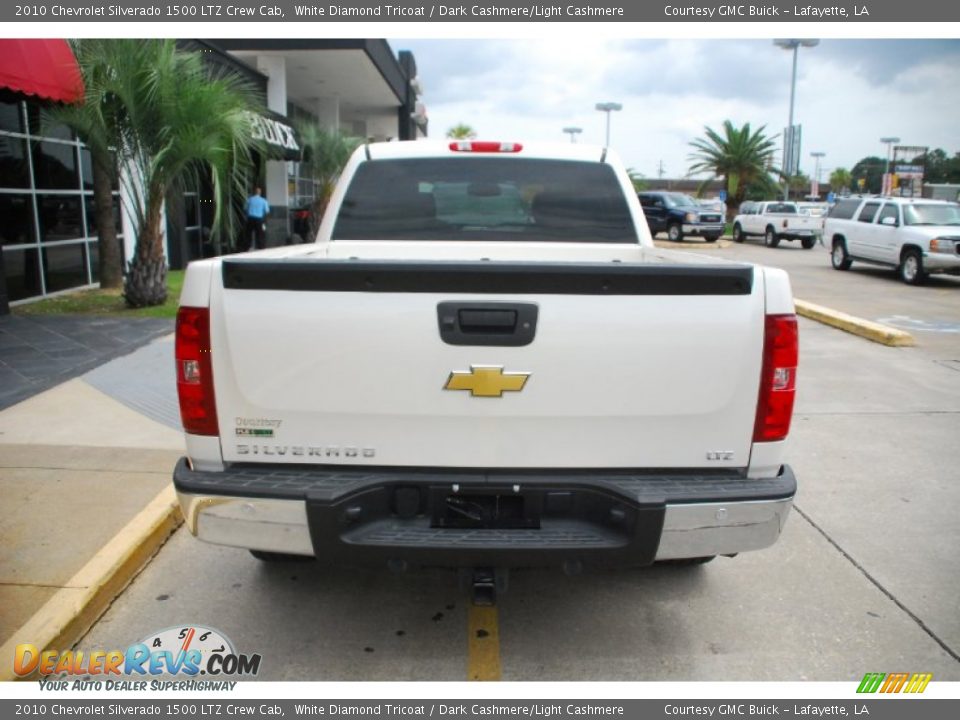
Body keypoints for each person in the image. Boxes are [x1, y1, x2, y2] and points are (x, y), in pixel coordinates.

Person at [244, 186, 270, 251]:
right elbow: (267, 211)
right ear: (260, 193)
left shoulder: (249, 200)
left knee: (248, 233)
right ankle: (260, 247)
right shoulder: (263, 201)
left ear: (254, 192)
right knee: (260, 234)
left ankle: (248, 247)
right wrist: (264, 219)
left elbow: (245, 209)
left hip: (250, 219)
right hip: (259, 219)